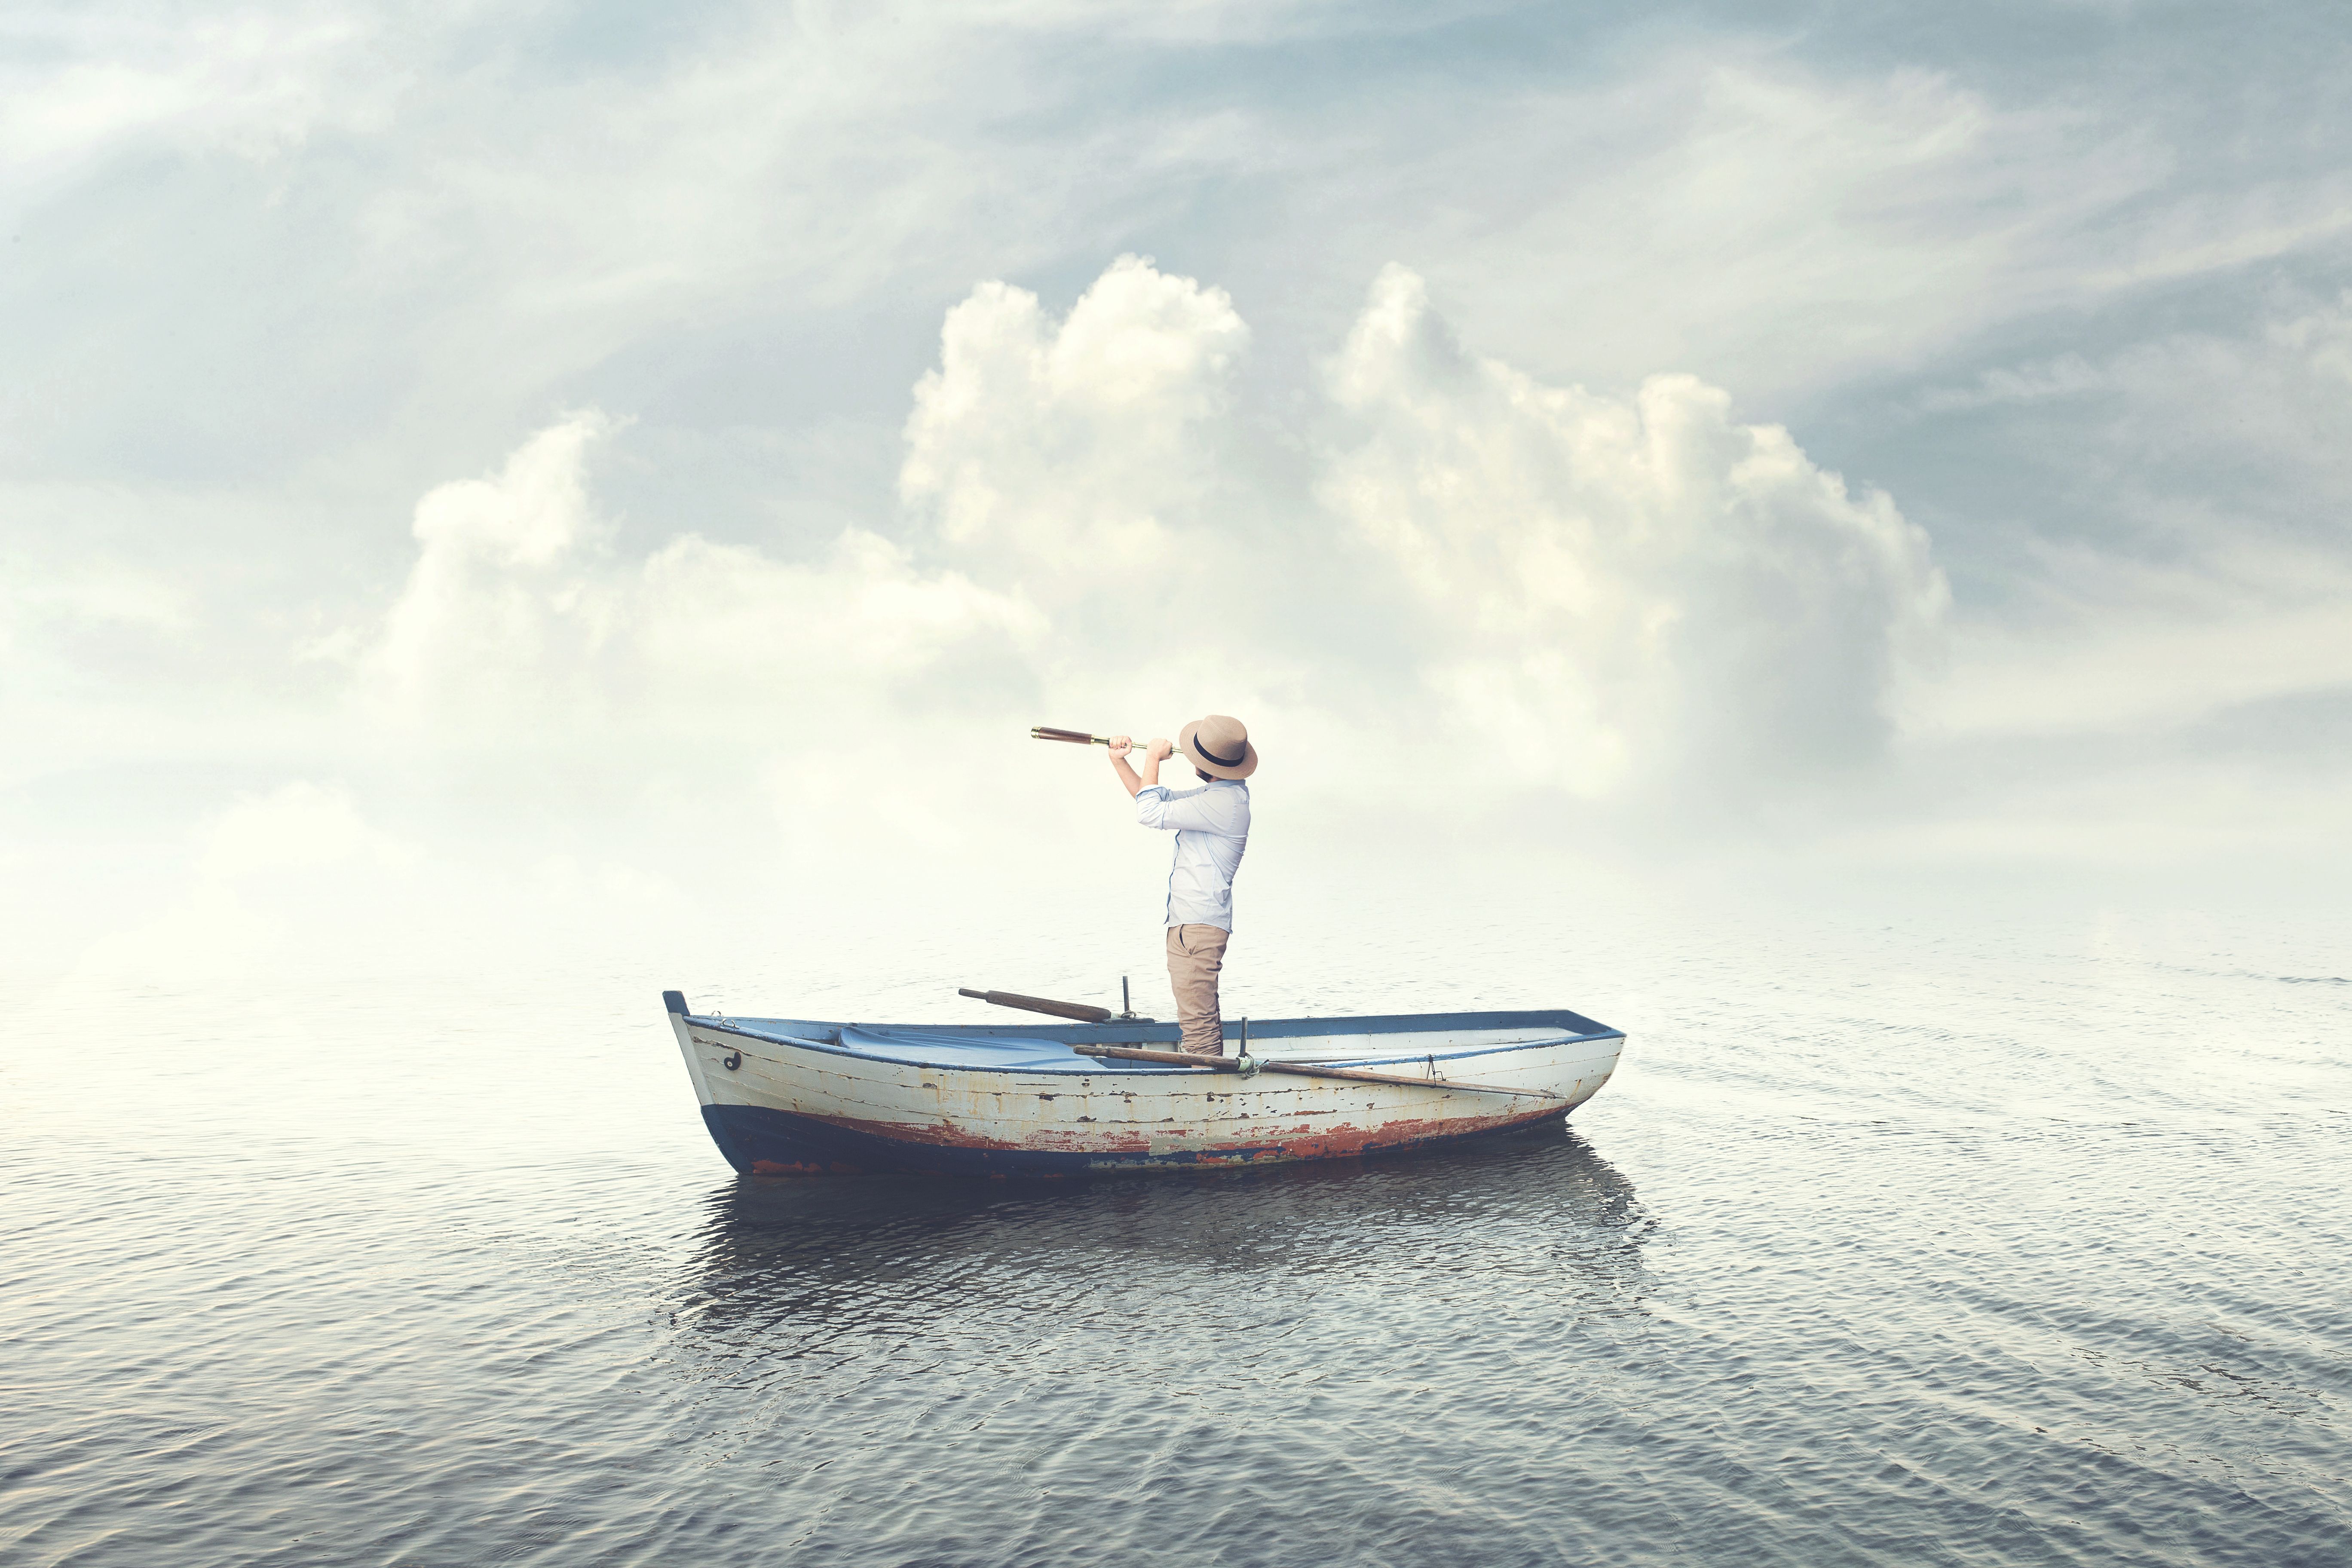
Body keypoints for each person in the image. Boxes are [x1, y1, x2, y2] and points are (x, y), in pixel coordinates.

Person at [1106, 716, 1256, 1056]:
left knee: (1197, 1024)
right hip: (1195, 924)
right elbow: (1151, 799)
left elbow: (1148, 812)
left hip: (1197, 927)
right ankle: (1209, 1077)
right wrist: (1120, 761)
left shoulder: (1222, 803)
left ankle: (1205, 1085)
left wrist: (1152, 758)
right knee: (1200, 1018)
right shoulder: (1220, 795)